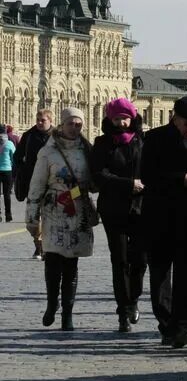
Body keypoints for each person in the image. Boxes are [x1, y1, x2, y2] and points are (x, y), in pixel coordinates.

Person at [141, 96, 187, 348]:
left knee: (186, 274)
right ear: (175, 118)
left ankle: (182, 326)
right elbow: (148, 175)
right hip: (159, 216)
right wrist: (182, 178)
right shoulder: (156, 139)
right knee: (159, 275)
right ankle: (166, 323)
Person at [26, 108, 96, 331]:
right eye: (71, 124)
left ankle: (68, 313)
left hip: (77, 210)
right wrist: (31, 217)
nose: (75, 128)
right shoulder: (49, 152)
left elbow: (96, 181)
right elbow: (36, 184)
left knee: (72, 264)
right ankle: (51, 303)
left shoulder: (87, 150)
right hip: (54, 209)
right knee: (53, 261)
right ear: (62, 124)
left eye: (79, 124)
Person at [89, 98, 147, 332]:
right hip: (114, 209)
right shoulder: (102, 143)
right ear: (109, 119)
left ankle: (133, 300)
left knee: (140, 260)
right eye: (116, 118)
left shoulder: (143, 142)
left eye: (125, 118)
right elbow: (99, 174)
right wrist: (128, 184)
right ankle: (123, 310)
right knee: (120, 259)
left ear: (132, 117)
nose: (121, 122)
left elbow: (152, 171)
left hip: (142, 208)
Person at [15, 109, 54, 259]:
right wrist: (23, 170)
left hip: (52, 183)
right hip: (33, 182)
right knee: (33, 218)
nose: (39, 122)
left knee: (49, 216)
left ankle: (45, 247)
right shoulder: (29, 136)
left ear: (50, 120)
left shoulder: (57, 137)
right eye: (37, 119)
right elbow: (18, 156)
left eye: (42, 120)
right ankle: (38, 244)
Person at [0, 129, 14, 222]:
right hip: (7, 170)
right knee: (7, 194)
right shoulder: (9, 143)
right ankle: (8, 215)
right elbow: (13, 156)